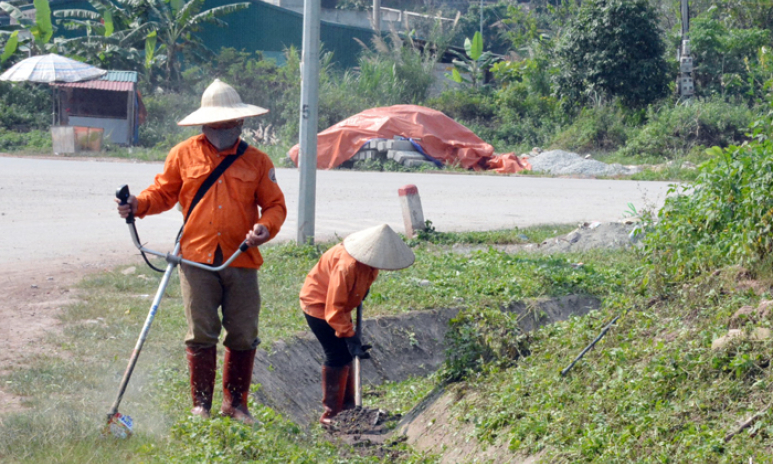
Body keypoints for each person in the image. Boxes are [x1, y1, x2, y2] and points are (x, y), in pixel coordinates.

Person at [116, 79, 287, 425]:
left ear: (241, 122)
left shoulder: (257, 161)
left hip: (241, 258)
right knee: (201, 332)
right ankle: (201, 406)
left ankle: (236, 405)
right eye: (218, 124)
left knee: (242, 332)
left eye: (231, 124)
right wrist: (137, 204)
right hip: (195, 257)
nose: (225, 130)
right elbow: (162, 194)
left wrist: (264, 228)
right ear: (205, 124)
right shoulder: (184, 154)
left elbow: (275, 206)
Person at [299, 224, 415, 424]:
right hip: (319, 306)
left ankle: (348, 407)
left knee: (347, 353)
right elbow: (333, 311)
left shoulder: (371, 263)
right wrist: (349, 335)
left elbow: (354, 291)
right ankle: (331, 414)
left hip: (339, 307)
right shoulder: (347, 266)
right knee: (337, 355)